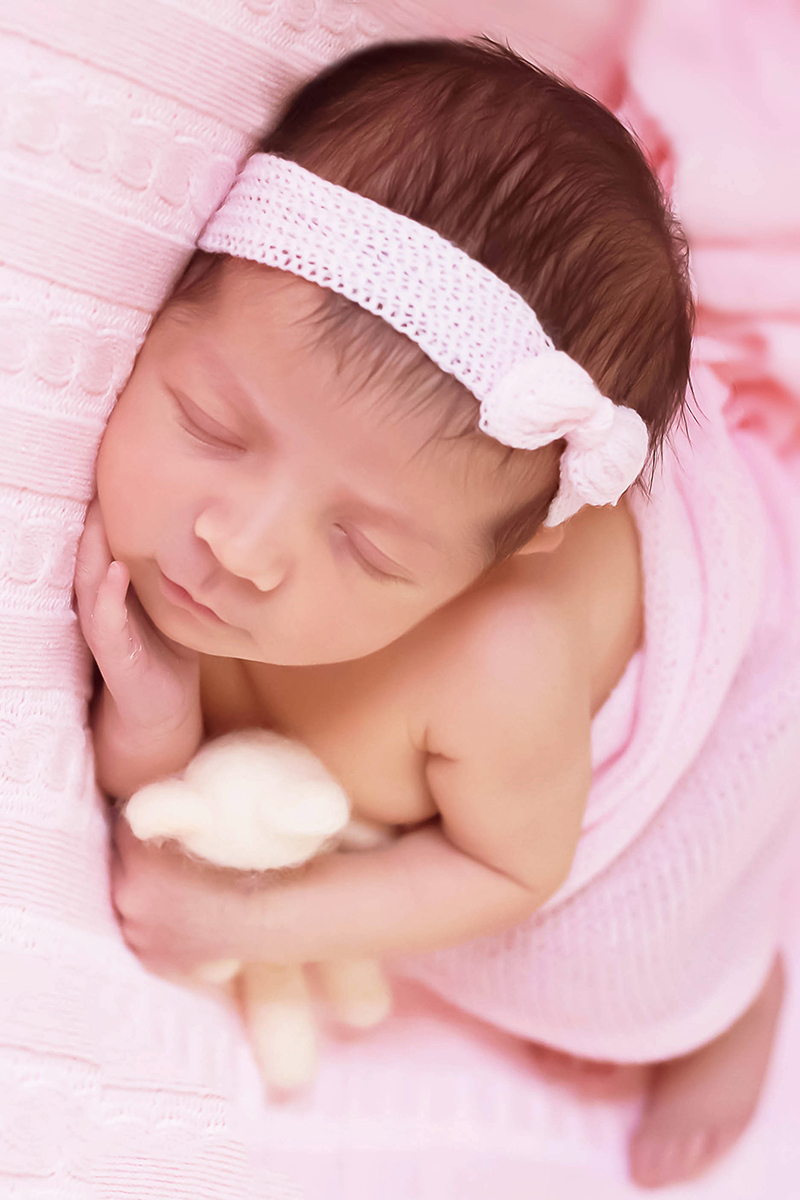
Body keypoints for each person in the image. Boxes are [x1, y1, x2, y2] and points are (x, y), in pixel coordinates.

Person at [73, 39, 793, 1189]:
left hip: (610, 764)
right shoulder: (261, 517)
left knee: (602, 961)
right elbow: (158, 787)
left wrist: (252, 923)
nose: (238, 548)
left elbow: (510, 870)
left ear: (492, 560)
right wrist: (153, 706)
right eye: (212, 423)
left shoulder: (496, 663)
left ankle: (735, 1001)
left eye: (361, 544)